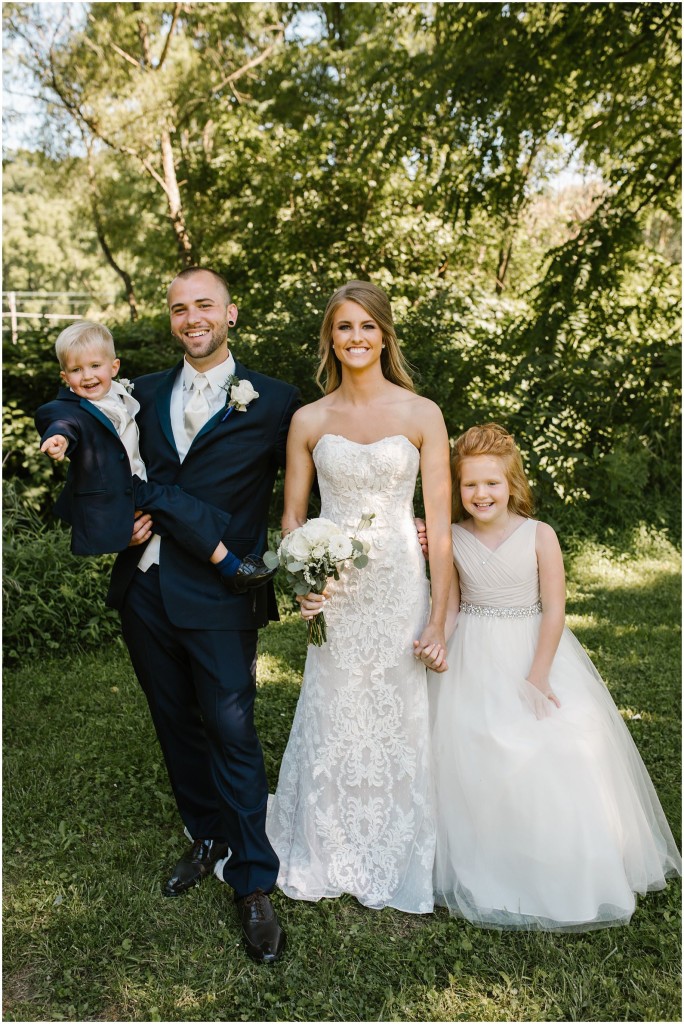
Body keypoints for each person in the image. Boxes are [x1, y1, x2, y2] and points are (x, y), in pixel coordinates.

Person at [105, 269, 300, 964]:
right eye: (180, 308)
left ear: (231, 314)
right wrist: (113, 525)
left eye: (205, 306)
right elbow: (103, 474)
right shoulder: (140, 393)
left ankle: (252, 882)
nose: (193, 318)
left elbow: (313, 480)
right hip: (147, 588)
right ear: (171, 319)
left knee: (231, 730)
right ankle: (208, 834)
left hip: (221, 594)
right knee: (175, 724)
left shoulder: (275, 402)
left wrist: (401, 526)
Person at [418, 423, 681, 930]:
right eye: (470, 485)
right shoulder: (451, 538)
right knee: (471, 750)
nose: (480, 494)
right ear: (457, 488)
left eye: (491, 483)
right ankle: (486, 864)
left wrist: (538, 674)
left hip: (532, 649)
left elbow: (555, 610)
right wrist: (440, 642)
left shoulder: (540, 535)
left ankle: (560, 863)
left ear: (512, 483)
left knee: (549, 746)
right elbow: (448, 605)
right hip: (474, 651)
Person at [266, 280, 453, 913]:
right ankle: (328, 843)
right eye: (343, 327)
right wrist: (304, 581)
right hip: (337, 589)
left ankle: (398, 846)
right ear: (330, 337)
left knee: (399, 709)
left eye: (367, 326)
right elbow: (293, 518)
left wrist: (441, 618)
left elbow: (440, 524)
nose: (355, 338)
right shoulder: (310, 420)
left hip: (401, 583)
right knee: (337, 701)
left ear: (385, 335)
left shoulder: (421, 413)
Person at [35, 321, 276, 593]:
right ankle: (231, 566)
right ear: (65, 378)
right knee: (176, 503)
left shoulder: (121, 393)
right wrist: (59, 438)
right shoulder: (68, 409)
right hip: (119, 489)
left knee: (177, 512)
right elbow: (61, 422)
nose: (87, 376)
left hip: (137, 484)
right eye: (76, 370)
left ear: (113, 368)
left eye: (94, 366)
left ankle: (217, 570)